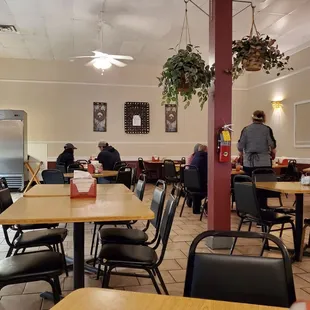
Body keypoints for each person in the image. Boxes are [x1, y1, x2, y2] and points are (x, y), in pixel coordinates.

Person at [237, 110, 276, 176]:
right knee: (265, 184)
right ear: (263, 118)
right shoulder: (267, 129)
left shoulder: (246, 129)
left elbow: (240, 146)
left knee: (250, 184)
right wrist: (273, 152)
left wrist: (241, 154)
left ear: (253, 118)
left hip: (249, 163)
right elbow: (272, 144)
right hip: (264, 163)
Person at [189, 144, 208, 214]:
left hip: (192, 185)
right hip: (200, 186)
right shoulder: (205, 158)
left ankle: (193, 203)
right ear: (205, 150)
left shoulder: (195, 157)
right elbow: (206, 172)